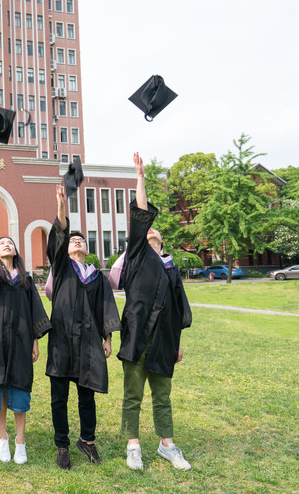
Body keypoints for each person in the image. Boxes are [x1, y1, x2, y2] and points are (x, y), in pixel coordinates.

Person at [113, 152, 193, 471]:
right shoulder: (136, 257)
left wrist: (176, 343)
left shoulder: (171, 269)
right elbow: (142, 213)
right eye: (146, 232)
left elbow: (178, 310)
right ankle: (133, 445)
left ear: (161, 240)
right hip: (136, 337)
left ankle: (167, 444)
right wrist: (140, 177)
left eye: (154, 234)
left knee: (163, 396)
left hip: (163, 342)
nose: (150, 233)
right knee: (133, 396)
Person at [44, 185, 121, 469]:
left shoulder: (96, 278)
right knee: (59, 397)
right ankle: (62, 444)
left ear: (87, 249)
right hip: (62, 339)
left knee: (86, 394)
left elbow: (106, 308)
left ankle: (87, 441)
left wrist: (108, 338)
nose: (76, 241)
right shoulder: (62, 267)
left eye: (81, 240)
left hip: (89, 340)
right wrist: (61, 207)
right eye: (72, 240)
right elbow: (61, 233)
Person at [0, 224, 51, 464]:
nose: (6, 244)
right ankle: (2, 436)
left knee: (18, 384)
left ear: (16, 251)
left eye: (10, 243)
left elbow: (34, 309)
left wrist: (35, 341)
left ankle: (20, 440)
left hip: (20, 338)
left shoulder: (25, 278)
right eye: (1, 244)